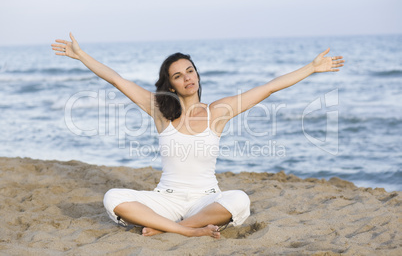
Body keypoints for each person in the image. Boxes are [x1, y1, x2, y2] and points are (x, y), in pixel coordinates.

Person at [51, 33, 344, 239]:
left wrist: (312, 68)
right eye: (178, 76)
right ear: (172, 84)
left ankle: (166, 227)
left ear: (198, 75)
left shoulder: (218, 112)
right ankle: (185, 230)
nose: (187, 78)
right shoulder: (160, 111)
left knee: (240, 199)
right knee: (112, 197)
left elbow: (268, 88)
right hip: (166, 199)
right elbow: (116, 79)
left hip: (205, 200)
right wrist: (81, 55)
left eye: (190, 71)